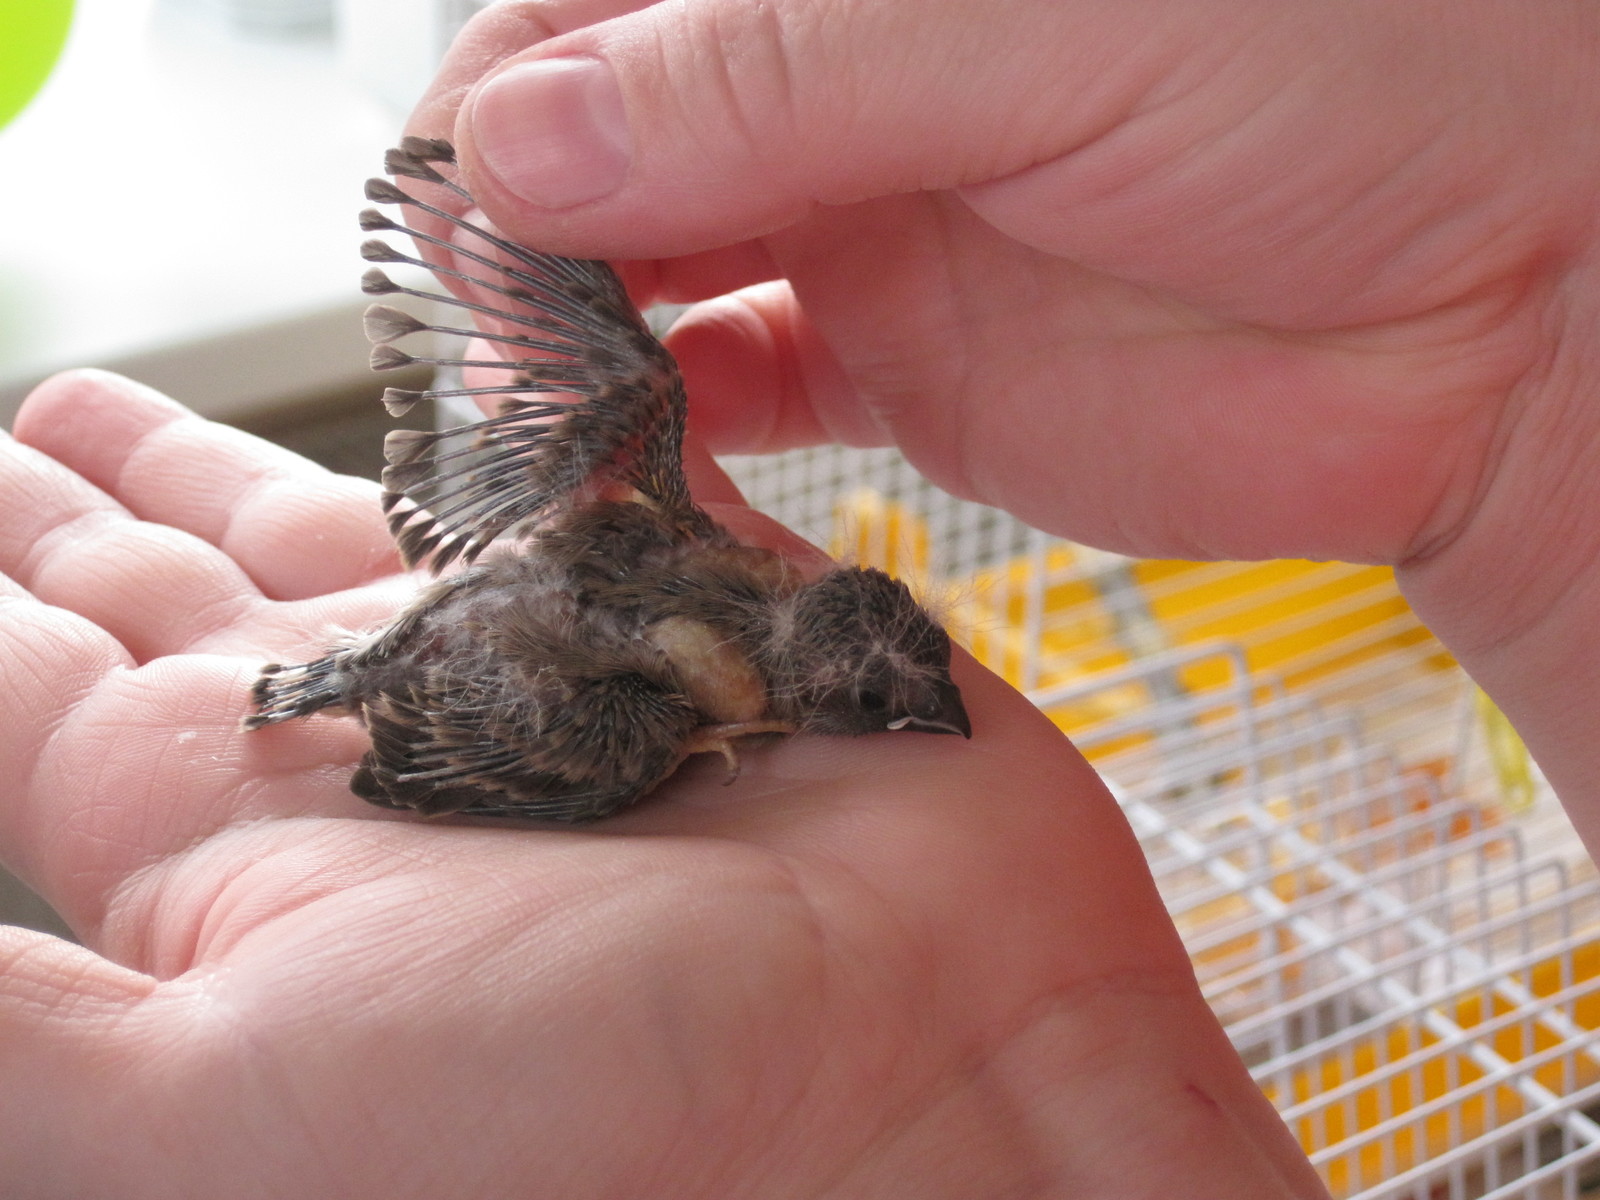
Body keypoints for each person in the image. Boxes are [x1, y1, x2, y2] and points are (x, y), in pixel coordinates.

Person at [2, 1, 1595, 1194]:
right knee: (592, 707)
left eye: (896, 691)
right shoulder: (648, 698)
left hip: (503, 602)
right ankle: (362, 663)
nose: (908, 718)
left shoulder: (644, 477)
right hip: (468, 653)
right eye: (887, 698)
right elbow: (425, 755)